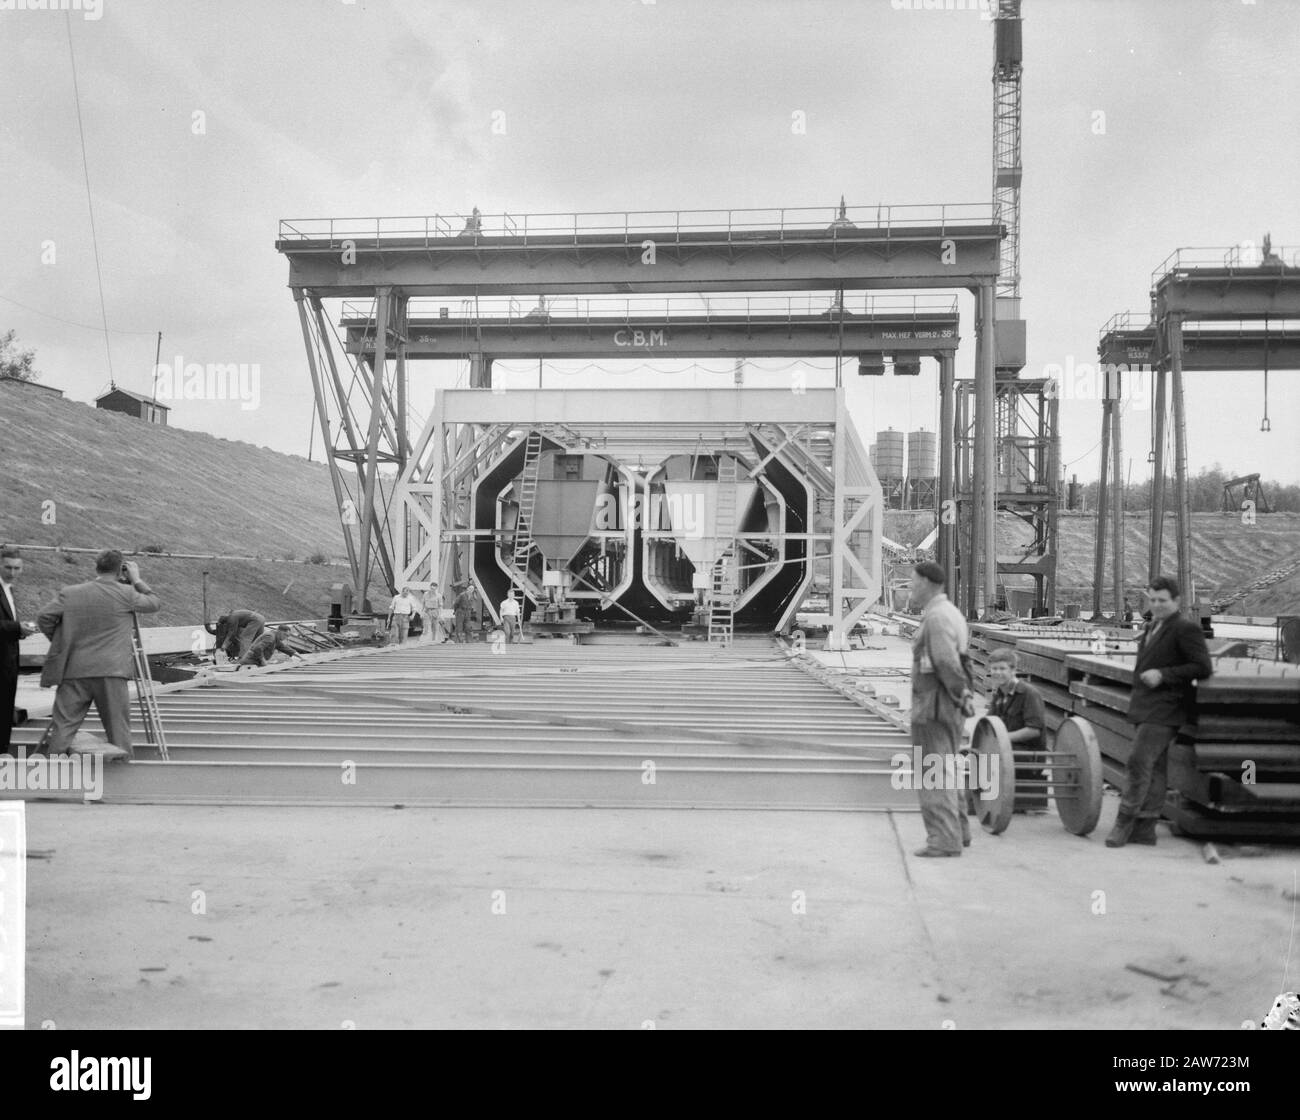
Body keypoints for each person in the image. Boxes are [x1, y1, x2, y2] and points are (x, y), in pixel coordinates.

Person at [1107, 575, 1213, 848]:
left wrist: (1164, 675)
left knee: (1138, 763)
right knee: (1155, 769)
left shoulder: (1185, 629)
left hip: (1167, 709)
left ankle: (1124, 822)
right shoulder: (1154, 626)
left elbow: (1202, 667)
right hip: (1147, 706)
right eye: (1152, 600)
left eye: (1162, 601)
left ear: (1176, 601)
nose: (1156, 605)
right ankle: (1145, 828)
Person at [36, 550, 161, 761]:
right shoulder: (126, 594)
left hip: (74, 670)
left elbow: (44, 616)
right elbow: (154, 603)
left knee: (64, 727)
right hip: (112, 671)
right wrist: (137, 579)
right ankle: (122, 778)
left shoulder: (72, 593)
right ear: (121, 570)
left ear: (97, 567)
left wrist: (61, 640)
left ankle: (52, 776)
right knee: (118, 730)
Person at [908, 560, 973, 857]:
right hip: (944, 703)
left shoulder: (936, 618)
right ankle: (959, 831)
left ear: (925, 583)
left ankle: (944, 839)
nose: (910, 587)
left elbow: (946, 662)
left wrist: (960, 694)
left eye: (912, 582)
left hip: (935, 705)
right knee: (946, 767)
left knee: (933, 771)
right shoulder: (949, 612)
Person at [985, 647, 1049, 812]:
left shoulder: (1029, 694)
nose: (997, 673)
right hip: (1006, 751)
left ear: (1013, 670)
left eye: (1002, 669)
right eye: (994, 669)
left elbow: (1034, 730)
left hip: (1028, 758)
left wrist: (1002, 738)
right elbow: (987, 725)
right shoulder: (1000, 694)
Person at [1, 546, 40, 755]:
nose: (12, 572)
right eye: (8, 567)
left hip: (8, 662)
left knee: (6, 709)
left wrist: (20, 631)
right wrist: (17, 628)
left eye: (17, 568)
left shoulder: (8, 589)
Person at [238, 624, 304, 669]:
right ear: (279, 631)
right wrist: (263, 661)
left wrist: (300, 657)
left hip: (255, 662)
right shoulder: (270, 637)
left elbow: (284, 648)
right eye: (285, 635)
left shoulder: (275, 638)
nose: (285, 638)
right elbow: (257, 649)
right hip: (250, 663)